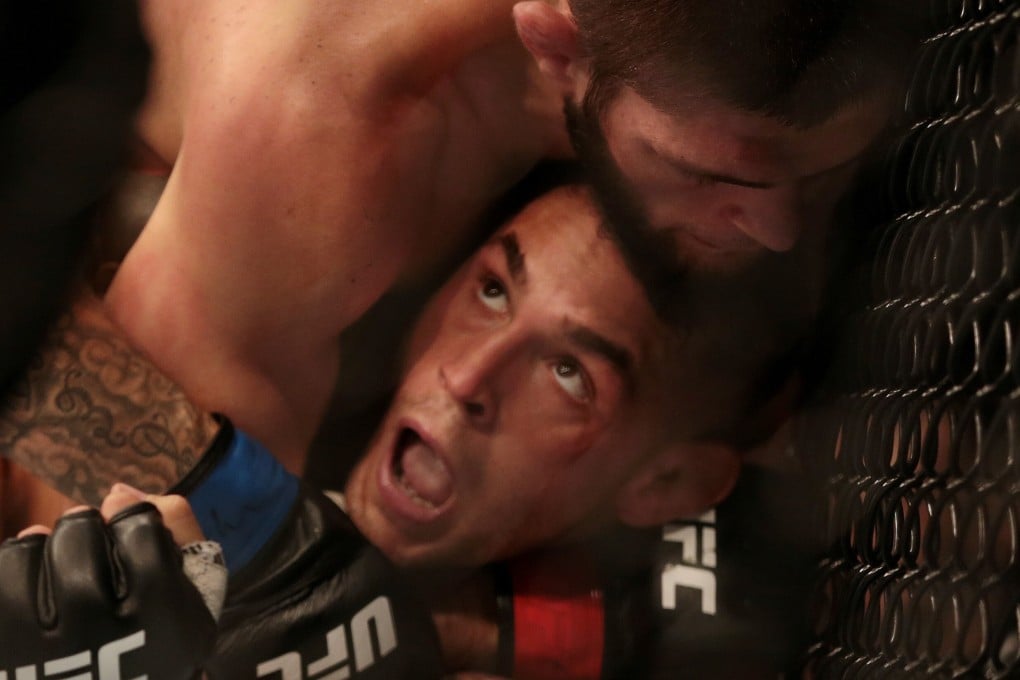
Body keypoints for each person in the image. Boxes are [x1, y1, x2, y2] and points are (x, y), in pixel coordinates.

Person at [90, 0, 921, 472]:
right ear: (556, 45)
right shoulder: (309, 151)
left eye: (815, 174)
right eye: (716, 178)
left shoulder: (676, 97)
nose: (777, 231)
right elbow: (126, 532)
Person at [3, 179, 760, 676]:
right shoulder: (273, 329)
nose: (466, 377)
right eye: (492, 291)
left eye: (570, 374)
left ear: (666, 483)